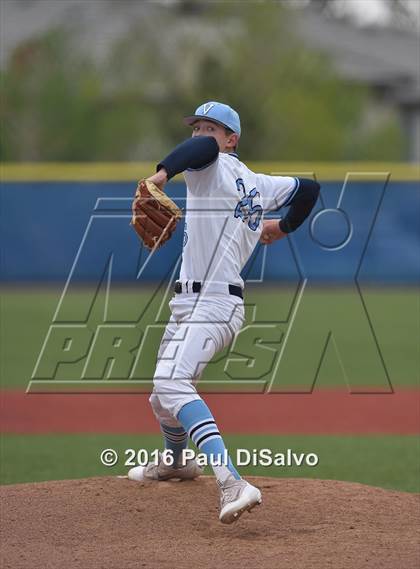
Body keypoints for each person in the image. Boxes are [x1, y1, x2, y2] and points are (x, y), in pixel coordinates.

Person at [128, 101, 320, 524]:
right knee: (161, 399)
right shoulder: (258, 183)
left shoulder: (209, 164)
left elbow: (202, 153)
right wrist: (281, 227)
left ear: (231, 139)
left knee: (170, 379)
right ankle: (177, 462)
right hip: (190, 303)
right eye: (195, 127)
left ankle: (232, 480)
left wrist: (161, 174)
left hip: (213, 304)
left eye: (210, 128)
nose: (199, 135)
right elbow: (308, 190)